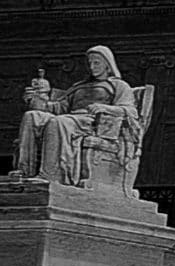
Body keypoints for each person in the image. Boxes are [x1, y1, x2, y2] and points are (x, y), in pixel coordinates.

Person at [13, 45, 138, 186]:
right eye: (90, 63)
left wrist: (105, 108)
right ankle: (25, 170)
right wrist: (35, 100)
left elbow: (130, 111)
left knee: (58, 122)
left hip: (92, 122)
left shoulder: (118, 85)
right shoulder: (79, 85)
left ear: (108, 65)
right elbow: (58, 108)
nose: (92, 67)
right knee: (31, 116)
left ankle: (50, 175)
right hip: (71, 118)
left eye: (96, 63)